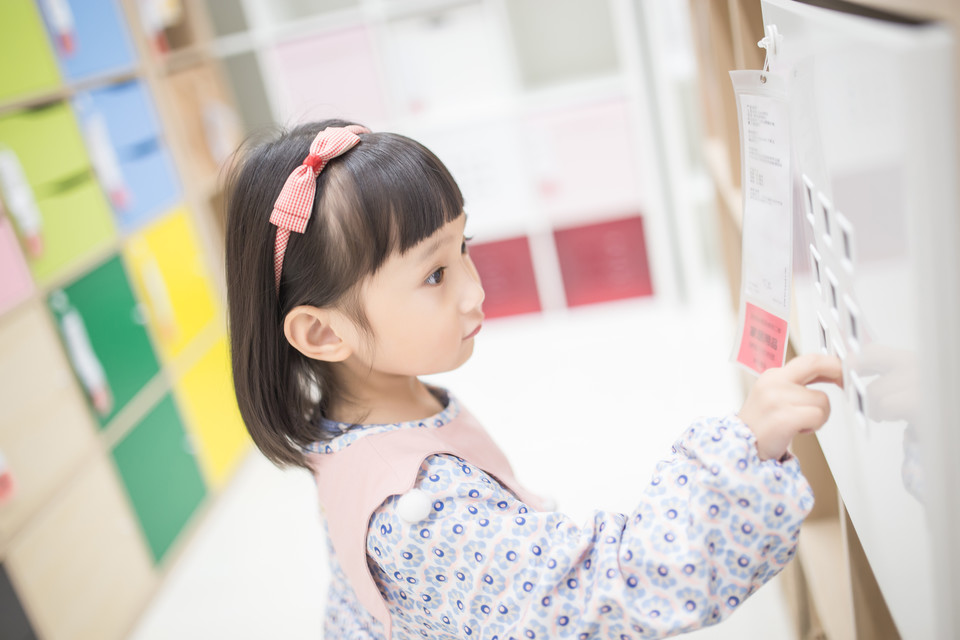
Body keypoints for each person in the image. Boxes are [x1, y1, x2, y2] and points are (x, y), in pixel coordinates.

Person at [224, 119, 843, 639]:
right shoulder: (421, 508)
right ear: (323, 334)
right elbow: (612, 591)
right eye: (435, 275)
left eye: (462, 245)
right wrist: (740, 450)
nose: (475, 290)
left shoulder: (363, 417)